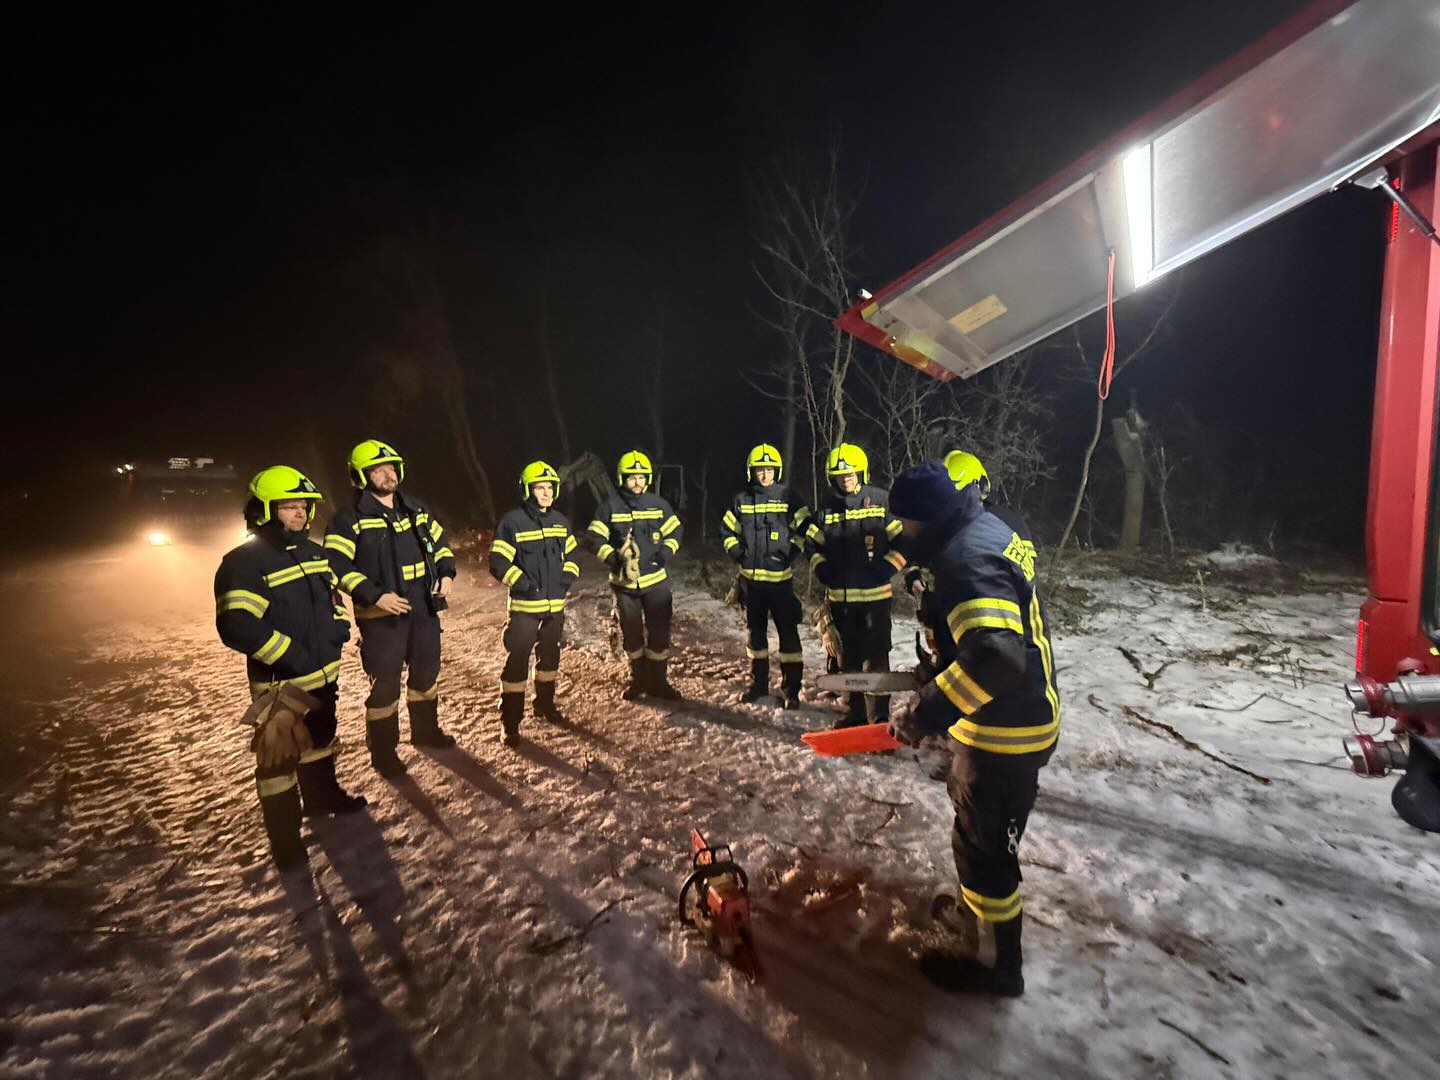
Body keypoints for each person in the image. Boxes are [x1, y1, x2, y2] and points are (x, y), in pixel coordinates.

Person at [885, 460, 1060, 997]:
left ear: (928, 518)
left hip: (1004, 733)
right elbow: (997, 628)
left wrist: (927, 712)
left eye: (907, 523)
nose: (902, 533)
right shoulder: (990, 525)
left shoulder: (963, 561)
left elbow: (997, 657)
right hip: (1024, 711)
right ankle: (976, 914)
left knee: (984, 853)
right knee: (981, 838)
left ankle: (994, 966)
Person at [214, 466, 366, 870]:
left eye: (304, 506)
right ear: (264, 510)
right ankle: (285, 841)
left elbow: (333, 600)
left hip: (322, 675)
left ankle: (322, 799)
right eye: (289, 507)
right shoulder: (244, 563)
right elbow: (237, 625)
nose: (300, 514)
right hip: (280, 686)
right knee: (278, 762)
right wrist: (290, 655)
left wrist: (338, 629)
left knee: (320, 740)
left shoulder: (315, 554)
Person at [324, 439, 457, 777]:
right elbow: (336, 564)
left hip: (424, 609)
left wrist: (446, 573)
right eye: (377, 469)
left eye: (391, 467)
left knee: (426, 673)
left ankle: (425, 731)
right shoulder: (349, 518)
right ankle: (383, 752)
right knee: (385, 685)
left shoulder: (416, 509)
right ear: (361, 476)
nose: (388, 474)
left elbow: (440, 545)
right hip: (382, 616)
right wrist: (374, 594)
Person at [803, 442, 906, 728]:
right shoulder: (826, 510)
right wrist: (820, 567)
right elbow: (809, 544)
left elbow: (905, 541)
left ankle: (880, 718)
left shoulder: (881, 502)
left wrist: (888, 567)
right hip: (841, 601)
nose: (846, 479)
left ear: (861, 473)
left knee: (875, 660)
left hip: (875, 599)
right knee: (848, 660)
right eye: (840, 475)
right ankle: (856, 713)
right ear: (831, 478)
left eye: (851, 473)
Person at [489, 461, 580, 744]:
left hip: (555, 609)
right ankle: (511, 722)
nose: (546, 493)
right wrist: (522, 583)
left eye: (550, 488)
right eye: (540, 487)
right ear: (527, 490)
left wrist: (567, 578)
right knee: (517, 664)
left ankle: (545, 705)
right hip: (525, 612)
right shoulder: (512, 522)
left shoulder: (561, 522)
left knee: (549, 660)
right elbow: (498, 561)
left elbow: (574, 557)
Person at [587, 449, 684, 700]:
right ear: (622, 479)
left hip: (656, 584)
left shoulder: (659, 505)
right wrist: (613, 558)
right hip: (624, 586)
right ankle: (637, 680)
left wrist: (665, 553)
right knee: (631, 634)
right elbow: (594, 538)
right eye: (632, 477)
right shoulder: (609, 506)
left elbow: (675, 532)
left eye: (642, 477)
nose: (638, 482)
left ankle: (658, 683)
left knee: (659, 633)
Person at [720, 443, 808, 708]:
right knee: (755, 637)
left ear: (776, 470)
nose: (765, 474)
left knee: (788, 637)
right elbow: (726, 530)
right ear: (752, 472)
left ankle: (792, 690)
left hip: (780, 582)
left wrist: (792, 552)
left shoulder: (788, 496)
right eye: (760, 470)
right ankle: (758, 685)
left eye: (769, 469)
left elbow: (806, 527)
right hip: (752, 583)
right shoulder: (741, 499)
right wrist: (738, 553)